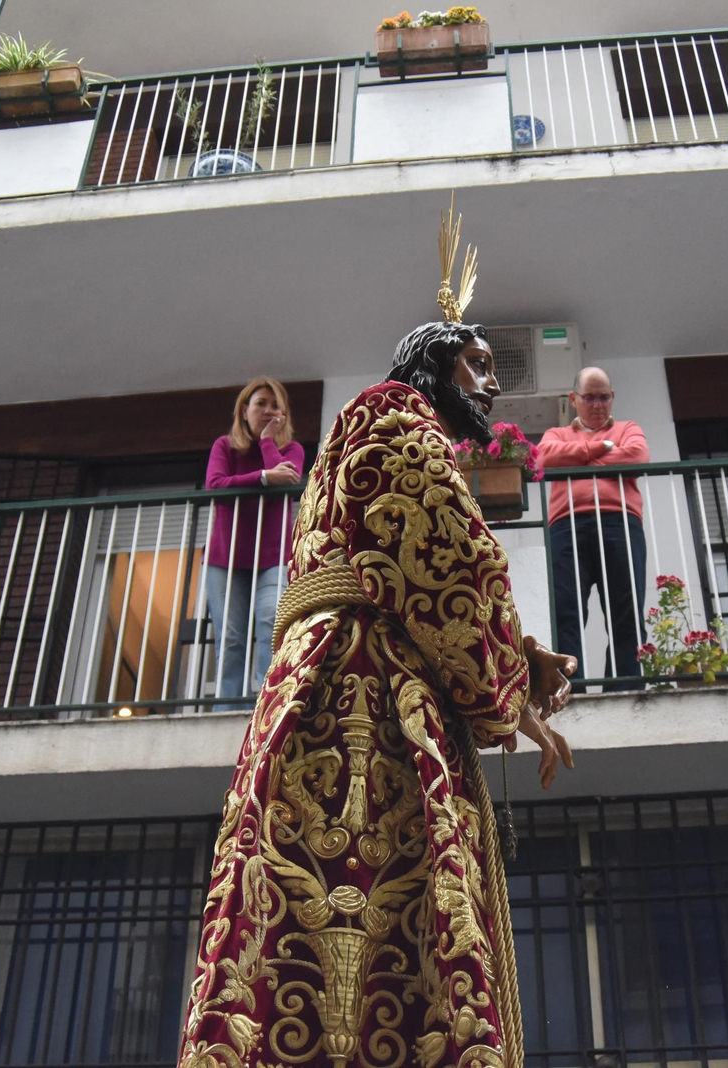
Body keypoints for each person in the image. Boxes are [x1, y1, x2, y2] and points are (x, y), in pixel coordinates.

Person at [178, 204, 576, 1068]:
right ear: (432, 367)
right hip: (358, 692)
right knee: (374, 924)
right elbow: (453, 562)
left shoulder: (367, 429)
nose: (492, 387)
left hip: (327, 680)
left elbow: (427, 565)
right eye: (477, 367)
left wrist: (521, 662)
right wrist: (517, 686)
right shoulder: (395, 419)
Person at [537, 366, 651, 691]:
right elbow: (544, 458)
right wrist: (599, 449)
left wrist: (576, 461)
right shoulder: (555, 434)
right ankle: (573, 689)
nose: (598, 404)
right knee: (567, 611)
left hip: (621, 522)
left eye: (604, 397)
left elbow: (638, 456)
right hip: (567, 526)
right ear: (574, 399)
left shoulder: (629, 428)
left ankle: (626, 686)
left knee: (625, 609)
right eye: (590, 397)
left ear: (612, 398)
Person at [202, 377, 304, 711]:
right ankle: (225, 708)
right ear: (244, 410)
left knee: (269, 623)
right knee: (231, 638)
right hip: (226, 558)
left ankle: (265, 710)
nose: (268, 410)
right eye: (261, 403)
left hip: (273, 557)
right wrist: (261, 477)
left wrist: (267, 442)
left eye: (276, 406)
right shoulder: (224, 446)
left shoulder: (291, 449)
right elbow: (216, 485)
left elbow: (287, 477)